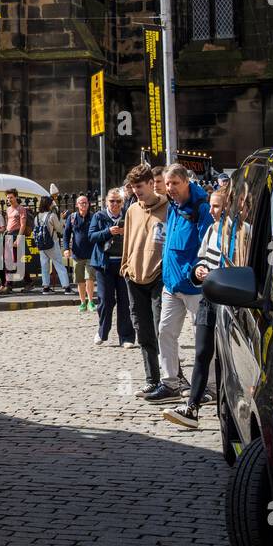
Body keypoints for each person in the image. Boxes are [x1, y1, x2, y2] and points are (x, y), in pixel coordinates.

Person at [146, 164, 213, 405]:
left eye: (174, 183)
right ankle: (170, 382)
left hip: (194, 286)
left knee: (202, 338)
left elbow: (208, 245)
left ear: (186, 182)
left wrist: (197, 271)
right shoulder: (172, 205)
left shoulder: (201, 207)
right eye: (168, 183)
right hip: (172, 284)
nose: (170, 188)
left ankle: (210, 386)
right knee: (165, 332)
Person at [161, 186, 227, 429]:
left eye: (217, 206)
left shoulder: (238, 233)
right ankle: (191, 409)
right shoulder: (211, 229)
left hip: (229, 301)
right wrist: (198, 271)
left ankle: (225, 409)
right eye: (211, 205)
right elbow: (201, 259)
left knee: (224, 358)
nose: (211, 210)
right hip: (208, 298)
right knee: (201, 353)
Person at [121, 161, 168, 397]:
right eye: (133, 187)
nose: (137, 191)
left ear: (152, 183)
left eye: (140, 186)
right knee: (144, 331)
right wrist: (126, 266)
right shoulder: (132, 210)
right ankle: (152, 379)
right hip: (135, 276)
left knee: (163, 328)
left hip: (159, 275)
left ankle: (171, 379)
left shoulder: (168, 208)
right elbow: (128, 240)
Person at [89, 189, 134, 347]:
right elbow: (92, 236)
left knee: (125, 301)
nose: (115, 204)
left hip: (123, 264)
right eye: (112, 201)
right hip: (104, 264)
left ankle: (127, 337)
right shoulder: (99, 216)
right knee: (105, 300)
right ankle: (102, 331)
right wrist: (108, 232)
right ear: (106, 202)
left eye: (118, 201)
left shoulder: (128, 215)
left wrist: (125, 232)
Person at [62, 194, 97, 311]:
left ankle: (91, 301)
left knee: (89, 278)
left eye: (85, 202)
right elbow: (66, 234)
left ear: (88, 204)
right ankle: (82, 302)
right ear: (77, 205)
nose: (83, 204)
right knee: (80, 280)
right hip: (77, 254)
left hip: (91, 253)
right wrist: (66, 248)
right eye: (81, 203)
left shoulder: (93, 217)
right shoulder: (72, 217)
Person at [32, 195, 69, 293]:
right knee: (58, 264)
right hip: (52, 243)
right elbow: (60, 229)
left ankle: (45, 287)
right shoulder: (51, 216)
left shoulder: (36, 217)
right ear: (48, 204)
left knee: (44, 265)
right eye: (51, 202)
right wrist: (62, 219)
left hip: (41, 245)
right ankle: (66, 287)